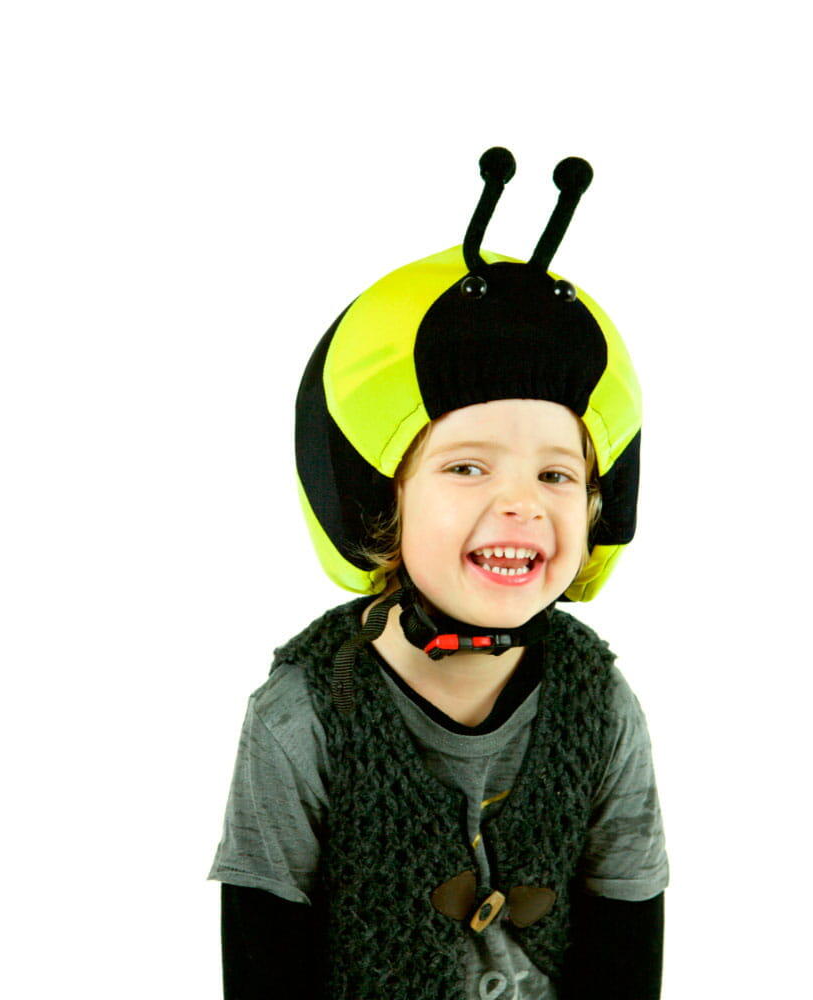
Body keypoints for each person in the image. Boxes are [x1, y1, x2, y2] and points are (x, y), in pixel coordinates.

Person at [208, 147, 669, 1000]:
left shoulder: (599, 703)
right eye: (466, 467)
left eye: (556, 474)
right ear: (376, 497)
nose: (521, 503)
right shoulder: (304, 714)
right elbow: (265, 965)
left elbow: (627, 944)